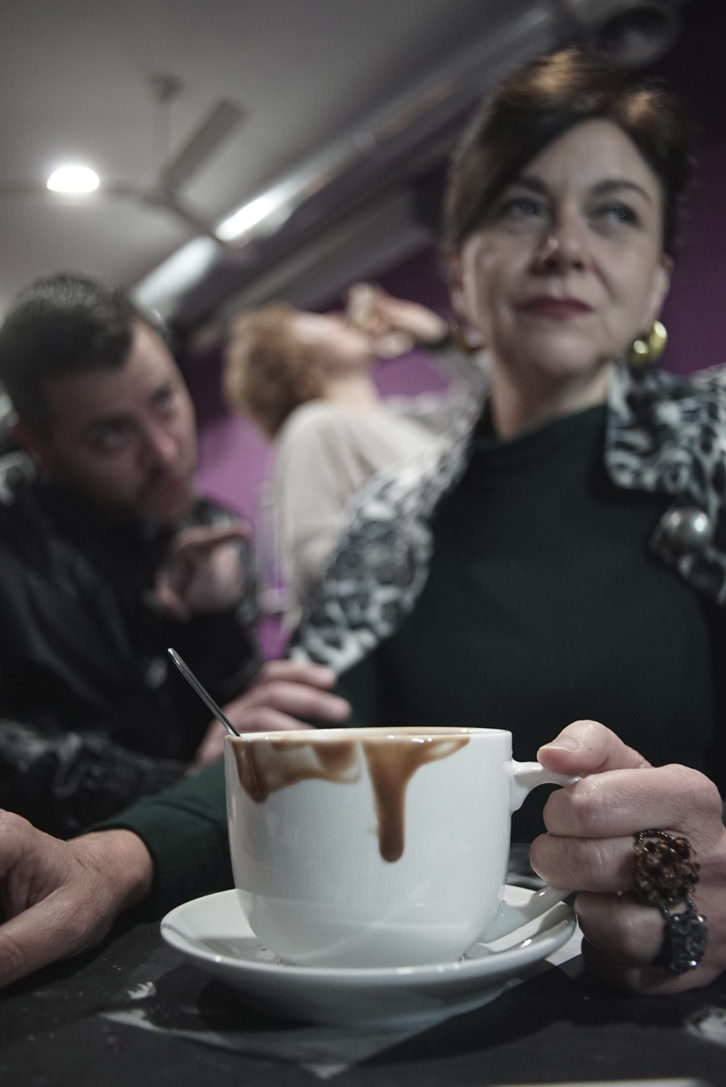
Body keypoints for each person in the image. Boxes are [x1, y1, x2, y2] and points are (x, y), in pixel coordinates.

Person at [0, 49, 725, 997]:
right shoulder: (392, 517)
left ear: (659, 280)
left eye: (616, 211)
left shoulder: (715, 445)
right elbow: (296, 753)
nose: (565, 243)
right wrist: (107, 861)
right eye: (519, 205)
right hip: (436, 1003)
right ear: (459, 274)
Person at [0, 273, 348, 836]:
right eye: (111, 436)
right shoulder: (12, 551)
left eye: (165, 400)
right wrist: (184, 783)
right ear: (40, 447)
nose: (164, 451)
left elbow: (224, 725)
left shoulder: (208, 527)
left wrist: (217, 635)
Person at [223, 285, 483, 619]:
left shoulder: (404, 418)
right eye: (314, 321)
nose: (336, 318)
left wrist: (437, 338)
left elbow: (506, 403)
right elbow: (312, 566)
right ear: (292, 359)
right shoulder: (312, 428)